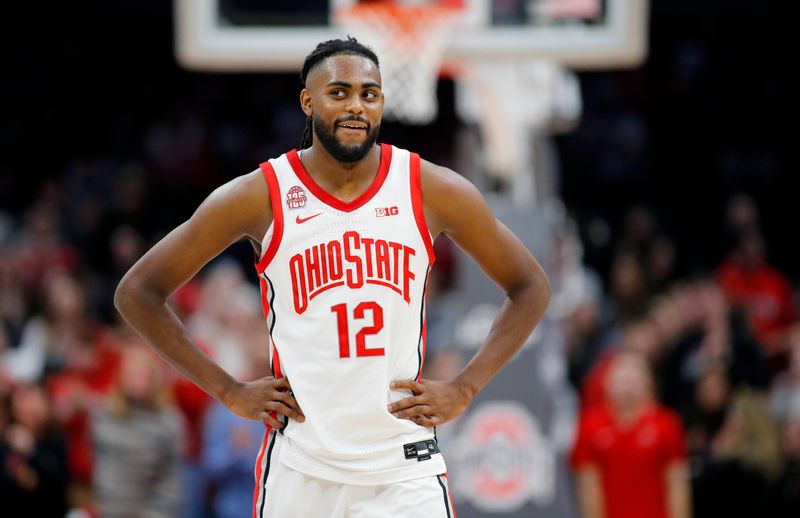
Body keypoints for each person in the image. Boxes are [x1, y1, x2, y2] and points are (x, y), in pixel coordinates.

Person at [114, 37, 550, 518]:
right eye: (338, 92)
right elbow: (138, 292)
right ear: (307, 101)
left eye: (369, 93)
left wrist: (466, 386)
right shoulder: (260, 195)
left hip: (402, 469)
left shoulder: (429, 187)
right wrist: (227, 390)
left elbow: (530, 286)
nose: (356, 106)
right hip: (302, 468)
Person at [571, 351, 691, 518]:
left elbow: (677, 483)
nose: (626, 386)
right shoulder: (590, 425)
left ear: (647, 383)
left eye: (632, 379)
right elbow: (588, 486)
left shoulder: (667, 424)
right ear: (607, 383)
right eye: (621, 379)